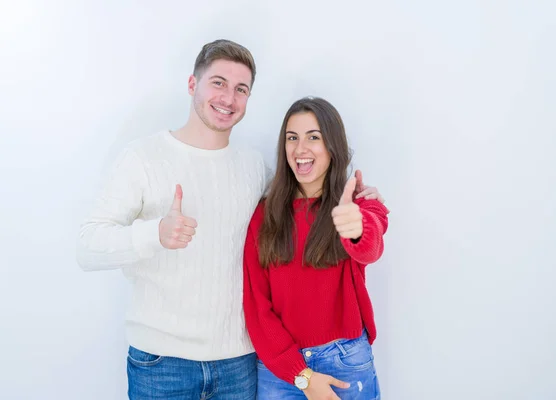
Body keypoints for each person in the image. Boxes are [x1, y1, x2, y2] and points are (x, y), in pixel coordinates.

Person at [77, 40, 383, 399]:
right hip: (162, 364)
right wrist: (155, 234)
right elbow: (87, 247)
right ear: (193, 85)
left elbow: (308, 191)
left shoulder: (253, 168)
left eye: (241, 89)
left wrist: (364, 210)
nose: (228, 98)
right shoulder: (143, 158)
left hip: (238, 364)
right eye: (218, 83)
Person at [243, 96, 389, 400]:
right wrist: (300, 374)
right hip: (281, 369)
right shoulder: (264, 215)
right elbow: (257, 307)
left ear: (332, 146)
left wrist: (357, 225)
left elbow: (371, 247)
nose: (300, 149)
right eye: (292, 138)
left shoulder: (358, 205)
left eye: (314, 137)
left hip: (345, 360)